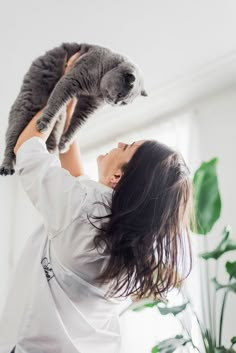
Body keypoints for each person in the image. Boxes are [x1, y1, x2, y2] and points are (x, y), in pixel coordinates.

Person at [0, 53, 193, 353]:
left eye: (126, 147)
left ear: (118, 176)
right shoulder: (128, 249)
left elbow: (27, 147)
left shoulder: (83, 210)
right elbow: (75, 175)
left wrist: (60, 90)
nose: (118, 144)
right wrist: (68, 102)